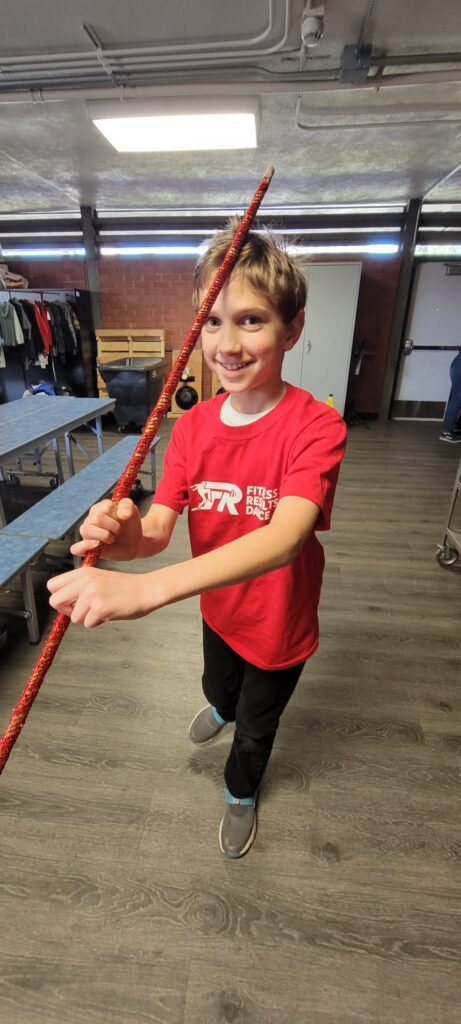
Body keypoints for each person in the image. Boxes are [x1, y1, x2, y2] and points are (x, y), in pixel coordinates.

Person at [47, 222, 347, 859]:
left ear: (292, 329)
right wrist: (125, 537)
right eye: (212, 322)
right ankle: (220, 706)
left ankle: (240, 791)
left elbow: (286, 537)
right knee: (219, 688)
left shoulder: (317, 427)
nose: (227, 344)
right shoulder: (192, 427)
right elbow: (158, 529)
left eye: (251, 320)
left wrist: (148, 591)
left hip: (279, 624)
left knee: (256, 729)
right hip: (219, 609)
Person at [440, 348, 461, 443]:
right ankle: (446, 433)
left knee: (456, 399)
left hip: (457, 365)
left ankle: (453, 429)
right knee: (457, 400)